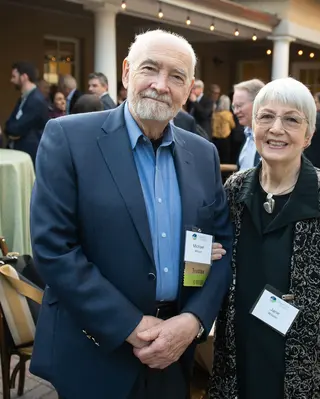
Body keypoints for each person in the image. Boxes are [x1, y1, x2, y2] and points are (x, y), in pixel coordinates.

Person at [30, 29, 233, 399]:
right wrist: (131, 325)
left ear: (189, 89)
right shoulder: (67, 139)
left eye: (176, 76)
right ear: (126, 73)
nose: (160, 85)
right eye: (149, 69)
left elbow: (219, 246)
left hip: (174, 351)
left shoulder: (204, 155)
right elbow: (54, 249)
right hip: (93, 351)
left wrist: (193, 321)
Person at [209, 77, 320, 399]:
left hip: (311, 373)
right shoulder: (233, 191)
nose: (276, 128)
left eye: (291, 119)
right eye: (266, 116)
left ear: (308, 135)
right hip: (240, 361)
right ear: (254, 125)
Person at [4, 62, 49, 164]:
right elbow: (8, 126)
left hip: (30, 157)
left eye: (14, 76)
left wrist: (12, 131)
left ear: (24, 77)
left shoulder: (36, 101)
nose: (11, 80)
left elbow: (16, 129)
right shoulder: (23, 99)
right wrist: (11, 130)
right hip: (20, 153)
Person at [232, 79, 264, 170]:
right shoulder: (248, 136)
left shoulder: (272, 139)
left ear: (258, 103)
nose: (235, 111)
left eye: (239, 106)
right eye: (233, 107)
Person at [212, 94, 235, 164]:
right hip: (225, 138)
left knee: (216, 157)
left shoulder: (215, 114)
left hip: (215, 138)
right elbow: (233, 125)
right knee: (225, 158)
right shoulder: (228, 114)